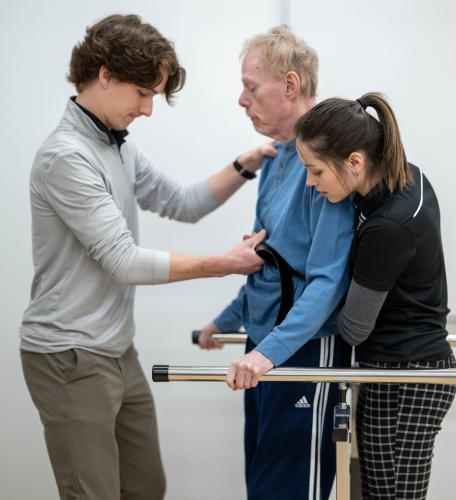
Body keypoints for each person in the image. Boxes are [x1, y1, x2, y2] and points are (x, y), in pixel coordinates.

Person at [19, 14, 273, 500]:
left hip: (116, 350)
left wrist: (248, 162)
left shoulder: (117, 147)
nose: (148, 109)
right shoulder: (67, 157)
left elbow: (183, 202)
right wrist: (224, 263)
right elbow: (124, 261)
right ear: (105, 74)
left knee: (146, 488)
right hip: (69, 356)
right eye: (142, 93)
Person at [197, 26, 354, 500]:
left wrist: (268, 353)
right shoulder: (276, 159)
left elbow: (328, 282)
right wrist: (227, 320)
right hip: (262, 341)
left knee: (289, 490)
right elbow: (267, 258)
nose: (242, 101)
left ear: (290, 85)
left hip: (303, 345)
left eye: (250, 86)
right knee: (263, 485)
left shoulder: (324, 166)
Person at [294, 92, 456, 500]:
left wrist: (321, 290)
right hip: (414, 367)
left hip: (404, 376)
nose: (312, 185)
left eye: (315, 172)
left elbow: (353, 328)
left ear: (354, 161)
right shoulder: (411, 178)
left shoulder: (388, 227)